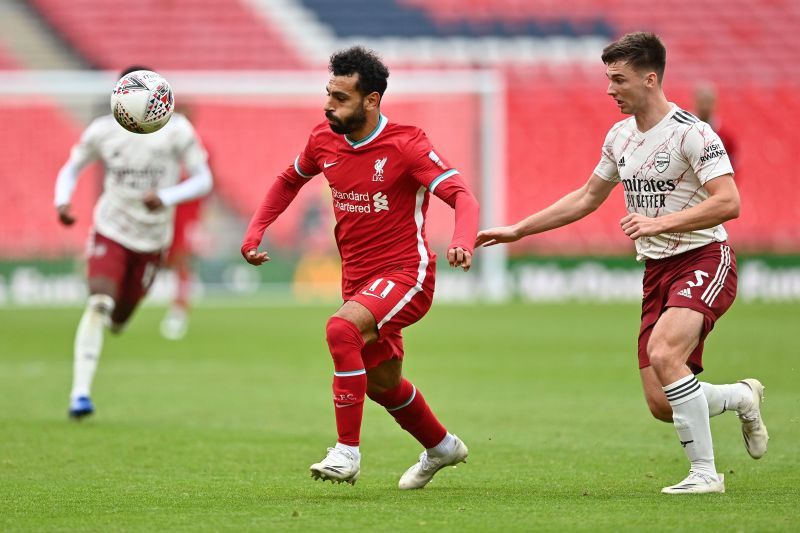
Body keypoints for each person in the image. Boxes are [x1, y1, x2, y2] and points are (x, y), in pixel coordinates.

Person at [476, 32, 767, 494]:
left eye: (618, 79)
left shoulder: (692, 133)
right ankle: (741, 397)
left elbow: (729, 201)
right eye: (608, 79)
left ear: (650, 79)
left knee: (665, 354)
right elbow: (588, 197)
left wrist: (660, 223)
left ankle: (705, 475)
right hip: (657, 271)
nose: (610, 89)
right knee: (663, 402)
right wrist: (517, 229)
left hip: (705, 258)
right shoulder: (621, 136)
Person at [241, 46, 479, 489]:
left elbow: (462, 195)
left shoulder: (406, 144)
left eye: (341, 97)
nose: (329, 104)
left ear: (371, 100)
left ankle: (346, 452)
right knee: (383, 384)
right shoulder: (322, 139)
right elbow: (289, 179)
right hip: (357, 279)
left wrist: (463, 241)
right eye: (328, 94)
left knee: (340, 330)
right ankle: (442, 446)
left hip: (407, 273)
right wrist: (256, 230)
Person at [55, 66, 213, 419]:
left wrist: (168, 196)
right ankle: (79, 394)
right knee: (98, 302)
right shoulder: (102, 131)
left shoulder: (177, 131)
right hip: (110, 230)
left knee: (119, 320)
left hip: (153, 240)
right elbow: (71, 167)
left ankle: (115, 321)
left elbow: (204, 180)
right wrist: (62, 200)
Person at [159, 197, 202, 340]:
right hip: (166, 225)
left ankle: (179, 310)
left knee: (181, 265)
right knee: (174, 265)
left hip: (180, 226)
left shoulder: (190, 182)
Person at [694, 83, 738, 172]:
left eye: (708, 101)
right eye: (702, 101)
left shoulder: (724, 135)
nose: (705, 106)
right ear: (696, 101)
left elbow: (732, 165)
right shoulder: (684, 128)